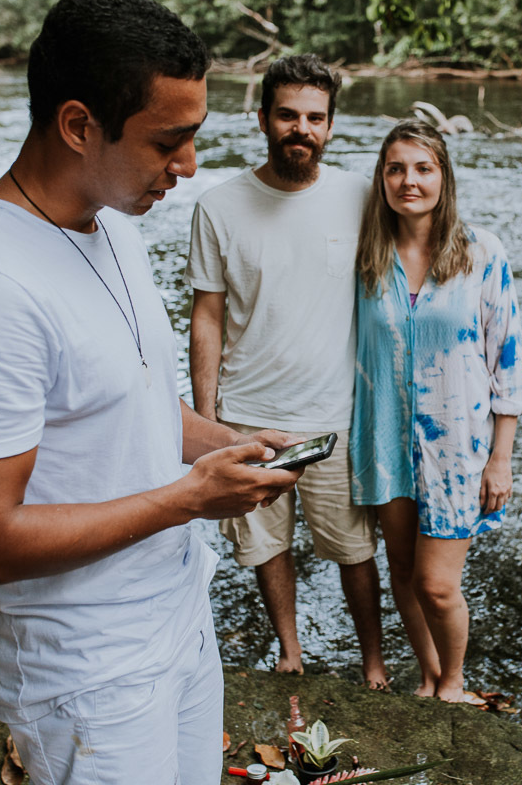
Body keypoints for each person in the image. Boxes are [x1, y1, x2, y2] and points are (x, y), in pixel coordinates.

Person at [0, 0, 303, 783]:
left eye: (195, 138)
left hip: (177, 616)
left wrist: (234, 447)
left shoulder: (112, 222)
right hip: (87, 671)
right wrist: (187, 499)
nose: (187, 167)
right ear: (79, 126)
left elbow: (133, 404)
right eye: (168, 142)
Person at [186, 54, 388, 688]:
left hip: (335, 414)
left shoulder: (360, 194)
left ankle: (374, 661)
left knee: (355, 550)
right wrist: (207, 417)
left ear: (330, 126)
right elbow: (207, 318)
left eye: (315, 118)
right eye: (288, 116)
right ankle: (290, 650)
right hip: (247, 414)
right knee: (264, 544)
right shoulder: (219, 205)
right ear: (262, 119)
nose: (301, 129)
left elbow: (413, 265)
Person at [351, 120, 522, 702]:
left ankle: (453, 682)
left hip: (457, 450)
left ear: (443, 177)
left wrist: (500, 459)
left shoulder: (482, 252)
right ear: (382, 178)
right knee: (402, 574)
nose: (409, 181)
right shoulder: (368, 257)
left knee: (436, 585)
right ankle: (429, 675)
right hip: (383, 442)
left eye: (423, 168)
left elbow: (509, 359)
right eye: (396, 168)